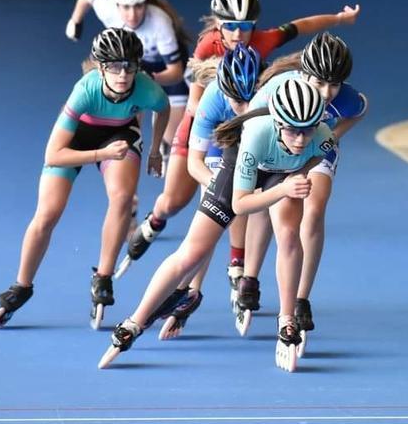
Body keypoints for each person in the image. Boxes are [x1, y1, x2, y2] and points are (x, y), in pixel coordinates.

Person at [122, 0, 360, 277]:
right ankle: (156, 219)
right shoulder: (208, 46)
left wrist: (339, 19)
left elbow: (302, 26)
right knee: (174, 201)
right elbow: (196, 103)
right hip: (211, 121)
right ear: (219, 25)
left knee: (245, 193)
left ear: (254, 26)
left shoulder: (263, 41)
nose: (238, 34)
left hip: (247, 124)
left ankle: (237, 263)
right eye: (231, 26)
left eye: (245, 26)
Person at [99, 78, 334, 373]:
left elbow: (314, 154)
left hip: (283, 174)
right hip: (241, 172)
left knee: (288, 235)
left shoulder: (324, 136)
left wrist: (295, 174)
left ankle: (286, 321)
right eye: (292, 130)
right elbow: (240, 206)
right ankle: (134, 322)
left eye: (307, 130)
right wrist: (283, 190)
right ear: (276, 122)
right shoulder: (255, 136)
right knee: (191, 254)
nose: (300, 140)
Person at [0, 28, 169, 330]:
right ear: (100, 67)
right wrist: (102, 154)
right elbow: (54, 155)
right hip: (79, 138)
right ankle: (22, 285)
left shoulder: (148, 89)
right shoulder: (85, 91)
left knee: (122, 198)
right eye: (113, 67)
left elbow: (162, 111)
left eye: (129, 67)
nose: (122, 75)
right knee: (47, 214)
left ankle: (104, 277)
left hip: (120, 133)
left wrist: (154, 150)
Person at [236, 33, 366, 356]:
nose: (326, 93)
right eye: (320, 83)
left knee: (313, 211)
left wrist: (333, 136)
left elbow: (360, 108)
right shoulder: (277, 90)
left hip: (314, 151)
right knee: (264, 204)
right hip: (275, 148)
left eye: (333, 85)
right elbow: (250, 124)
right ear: (304, 73)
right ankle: (250, 276)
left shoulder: (344, 97)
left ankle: (301, 298)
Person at [146, 44, 261, 339]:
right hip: (216, 141)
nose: (244, 107)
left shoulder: (267, 96)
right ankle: (190, 291)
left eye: (250, 99)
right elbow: (195, 164)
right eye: (238, 100)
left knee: (253, 207)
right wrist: (217, 191)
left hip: (254, 142)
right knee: (212, 213)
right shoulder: (212, 100)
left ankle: (241, 267)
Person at [65, 0, 190, 167]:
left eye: (138, 6)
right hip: (132, 68)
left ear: (146, 3)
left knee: (173, 140)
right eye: (125, 7)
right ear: (116, 4)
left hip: (165, 72)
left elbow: (175, 73)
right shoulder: (109, 10)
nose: (132, 14)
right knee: (127, 131)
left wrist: (148, 78)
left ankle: (164, 148)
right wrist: (75, 20)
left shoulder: (160, 23)